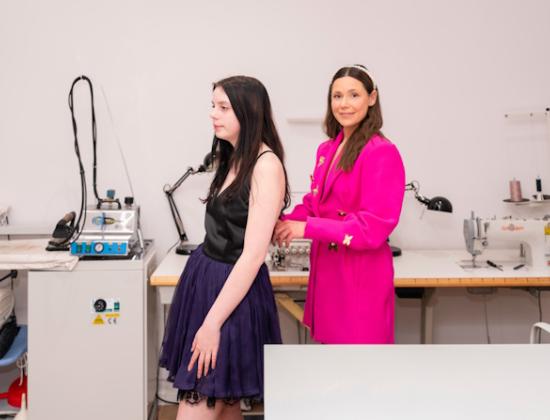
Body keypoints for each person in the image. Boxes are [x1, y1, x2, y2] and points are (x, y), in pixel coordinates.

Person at [160, 75, 289, 420]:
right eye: (213, 106)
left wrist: (211, 324)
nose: (212, 114)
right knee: (225, 406)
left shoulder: (266, 166)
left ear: (248, 112)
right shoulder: (233, 156)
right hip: (207, 283)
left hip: (231, 296)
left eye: (223, 107)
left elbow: (253, 256)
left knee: (202, 401)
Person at [274, 64, 405, 344]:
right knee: (330, 360)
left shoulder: (382, 152)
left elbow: (371, 227)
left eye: (354, 95)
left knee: (358, 362)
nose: (344, 104)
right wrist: (280, 222)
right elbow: (315, 204)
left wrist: (305, 228)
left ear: (372, 98)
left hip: (359, 279)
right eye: (337, 96)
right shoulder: (327, 149)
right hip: (329, 273)